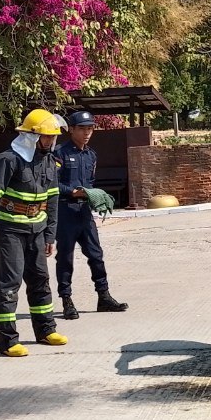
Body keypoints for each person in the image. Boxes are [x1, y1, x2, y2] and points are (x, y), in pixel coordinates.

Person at [0, 109, 68, 356]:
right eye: (46, 137)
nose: (50, 141)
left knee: (40, 280)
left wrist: (50, 235)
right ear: (31, 136)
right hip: (10, 230)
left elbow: (52, 201)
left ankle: (46, 330)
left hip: (37, 230)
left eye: (52, 137)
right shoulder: (8, 160)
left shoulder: (50, 162)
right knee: (9, 283)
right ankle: (8, 341)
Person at [54, 109, 128, 319]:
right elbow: (51, 184)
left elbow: (91, 183)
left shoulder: (91, 155)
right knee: (65, 257)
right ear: (71, 130)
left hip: (84, 212)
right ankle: (67, 300)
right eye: (82, 128)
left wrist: (95, 196)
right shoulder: (59, 153)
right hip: (65, 211)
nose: (87, 133)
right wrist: (73, 192)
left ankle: (103, 296)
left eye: (90, 129)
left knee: (96, 255)